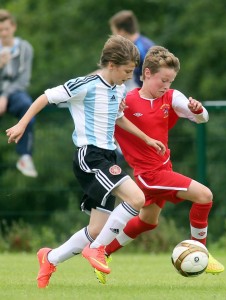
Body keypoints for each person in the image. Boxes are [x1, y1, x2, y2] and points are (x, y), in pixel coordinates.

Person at [6, 35, 166, 288]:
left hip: (107, 156)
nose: (128, 76)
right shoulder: (86, 84)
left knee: (95, 229)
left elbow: (119, 118)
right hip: (89, 156)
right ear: (111, 64)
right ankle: (99, 249)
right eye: (126, 71)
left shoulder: (118, 88)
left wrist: (146, 139)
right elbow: (44, 97)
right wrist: (22, 124)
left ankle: (50, 257)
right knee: (137, 199)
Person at [93, 46, 225, 284]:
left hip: (164, 170)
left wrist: (199, 110)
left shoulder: (172, 97)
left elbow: (201, 118)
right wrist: (115, 110)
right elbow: (101, 116)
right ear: (146, 73)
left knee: (147, 222)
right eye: (163, 80)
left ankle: (102, 253)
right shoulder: (126, 100)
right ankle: (201, 251)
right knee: (204, 195)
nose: (166, 84)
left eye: (171, 80)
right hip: (147, 174)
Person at [0, 9, 37, 177]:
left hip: (14, 93)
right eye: (0, 30)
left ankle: (25, 156)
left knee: (27, 107)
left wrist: (4, 96)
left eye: (6, 29)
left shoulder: (25, 48)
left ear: (13, 27)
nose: (3, 33)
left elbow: (23, 80)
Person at [109, 10, 155, 90]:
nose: (114, 36)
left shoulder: (139, 50)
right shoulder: (145, 43)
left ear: (121, 32)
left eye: (114, 32)